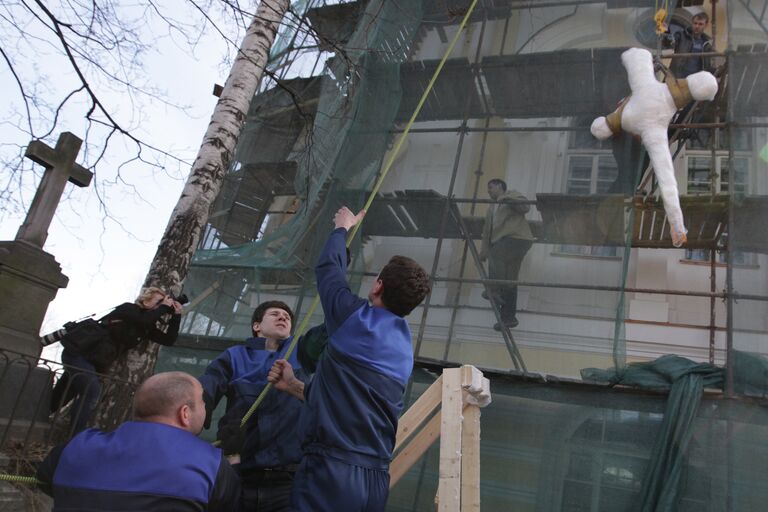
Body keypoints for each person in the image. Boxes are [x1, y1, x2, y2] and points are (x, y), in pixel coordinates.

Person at [267, 206, 430, 512]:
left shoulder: (355, 319)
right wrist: (292, 386)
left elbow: (329, 270)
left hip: (331, 472)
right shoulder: (404, 349)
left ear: (378, 285)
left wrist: (342, 227)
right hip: (375, 480)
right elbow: (349, 403)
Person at [37, 371, 240, 511]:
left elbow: (45, 481)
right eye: (202, 402)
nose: (206, 408)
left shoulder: (75, 448)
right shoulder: (211, 465)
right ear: (185, 413)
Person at [198, 300, 317, 512]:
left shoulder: (302, 351)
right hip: (240, 475)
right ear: (256, 326)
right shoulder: (234, 355)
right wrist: (199, 409)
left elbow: (329, 335)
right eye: (275, 314)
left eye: (287, 317)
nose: (283, 317)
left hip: (290, 480)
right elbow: (209, 385)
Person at [56, 287, 183, 432]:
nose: (162, 305)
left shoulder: (146, 326)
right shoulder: (128, 309)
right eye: (158, 301)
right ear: (145, 301)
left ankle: (48, 422)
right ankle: (75, 436)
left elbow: (168, 339)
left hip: (94, 363)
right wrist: (164, 307)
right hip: (78, 353)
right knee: (91, 391)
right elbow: (142, 321)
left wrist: (176, 315)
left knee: (61, 395)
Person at [479, 179, 534, 330]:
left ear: (499, 186)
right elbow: (487, 232)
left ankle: (494, 289)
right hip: (507, 243)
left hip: (517, 239)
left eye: (490, 187)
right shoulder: (492, 208)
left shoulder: (512, 194)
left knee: (496, 254)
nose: (488, 191)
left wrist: (508, 199)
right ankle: (508, 318)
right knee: (510, 281)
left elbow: (525, 207)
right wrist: (483, 251)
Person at [665, 12, 713, 78]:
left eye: (700, 24)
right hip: (677, 77)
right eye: (695, 23)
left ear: (706, 25)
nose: (697, 26)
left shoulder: (706, 44)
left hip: (695, 81)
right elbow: (668, 43)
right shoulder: (681, 35)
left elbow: (708, 66)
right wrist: (666, 31)